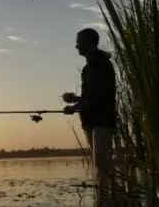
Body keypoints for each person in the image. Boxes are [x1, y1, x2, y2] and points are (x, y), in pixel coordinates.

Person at [63, 28, 116, 206]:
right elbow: (92, 96)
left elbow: (97, 98)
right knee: (101, 167)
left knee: (102, 168)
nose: (76, 45)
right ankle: (104, 200)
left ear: (87, 42)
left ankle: (104, 201)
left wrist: (75, 107)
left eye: (78, 41)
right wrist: (75, 99)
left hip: (101, 123)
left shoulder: (99, 65)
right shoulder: (91, 66)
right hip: (93, 123)